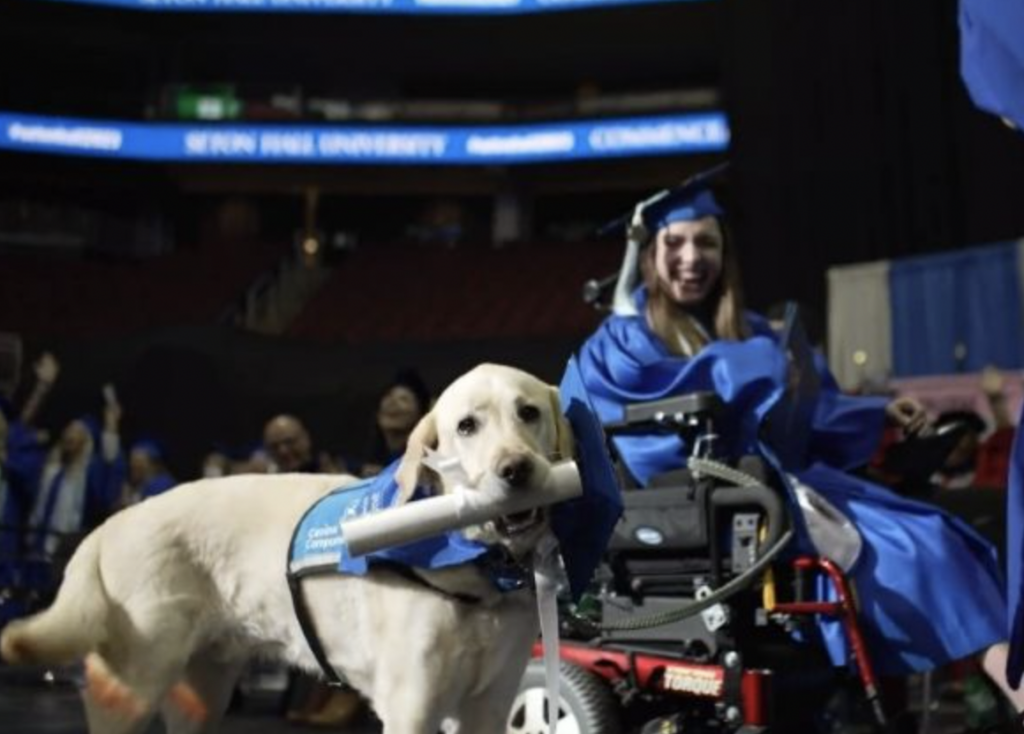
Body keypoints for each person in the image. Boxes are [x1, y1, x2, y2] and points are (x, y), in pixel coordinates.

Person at [574, 168, 1024, 714]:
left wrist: (878, 410)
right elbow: (654, 422)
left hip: (787, 484)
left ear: (726, 254)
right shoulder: (625, 337)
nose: (691, 257)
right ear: (649, 253)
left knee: (949, 535)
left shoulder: (748, 328)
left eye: (706, 242)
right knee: (921, 549)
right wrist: (757, 366)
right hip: (721, 502)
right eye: (675, 242)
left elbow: (810, 410)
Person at [358, 369, 432, 478]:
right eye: (388, 396)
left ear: (420, 416)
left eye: (403, 399)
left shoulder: (430, 461)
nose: (392, 403)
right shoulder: (364, 460)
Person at [121, 438, 176, 507]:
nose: (134, 465)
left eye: (139, 462)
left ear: (153, 465)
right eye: (132, 462)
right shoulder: (134, 485)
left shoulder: (162, 484)